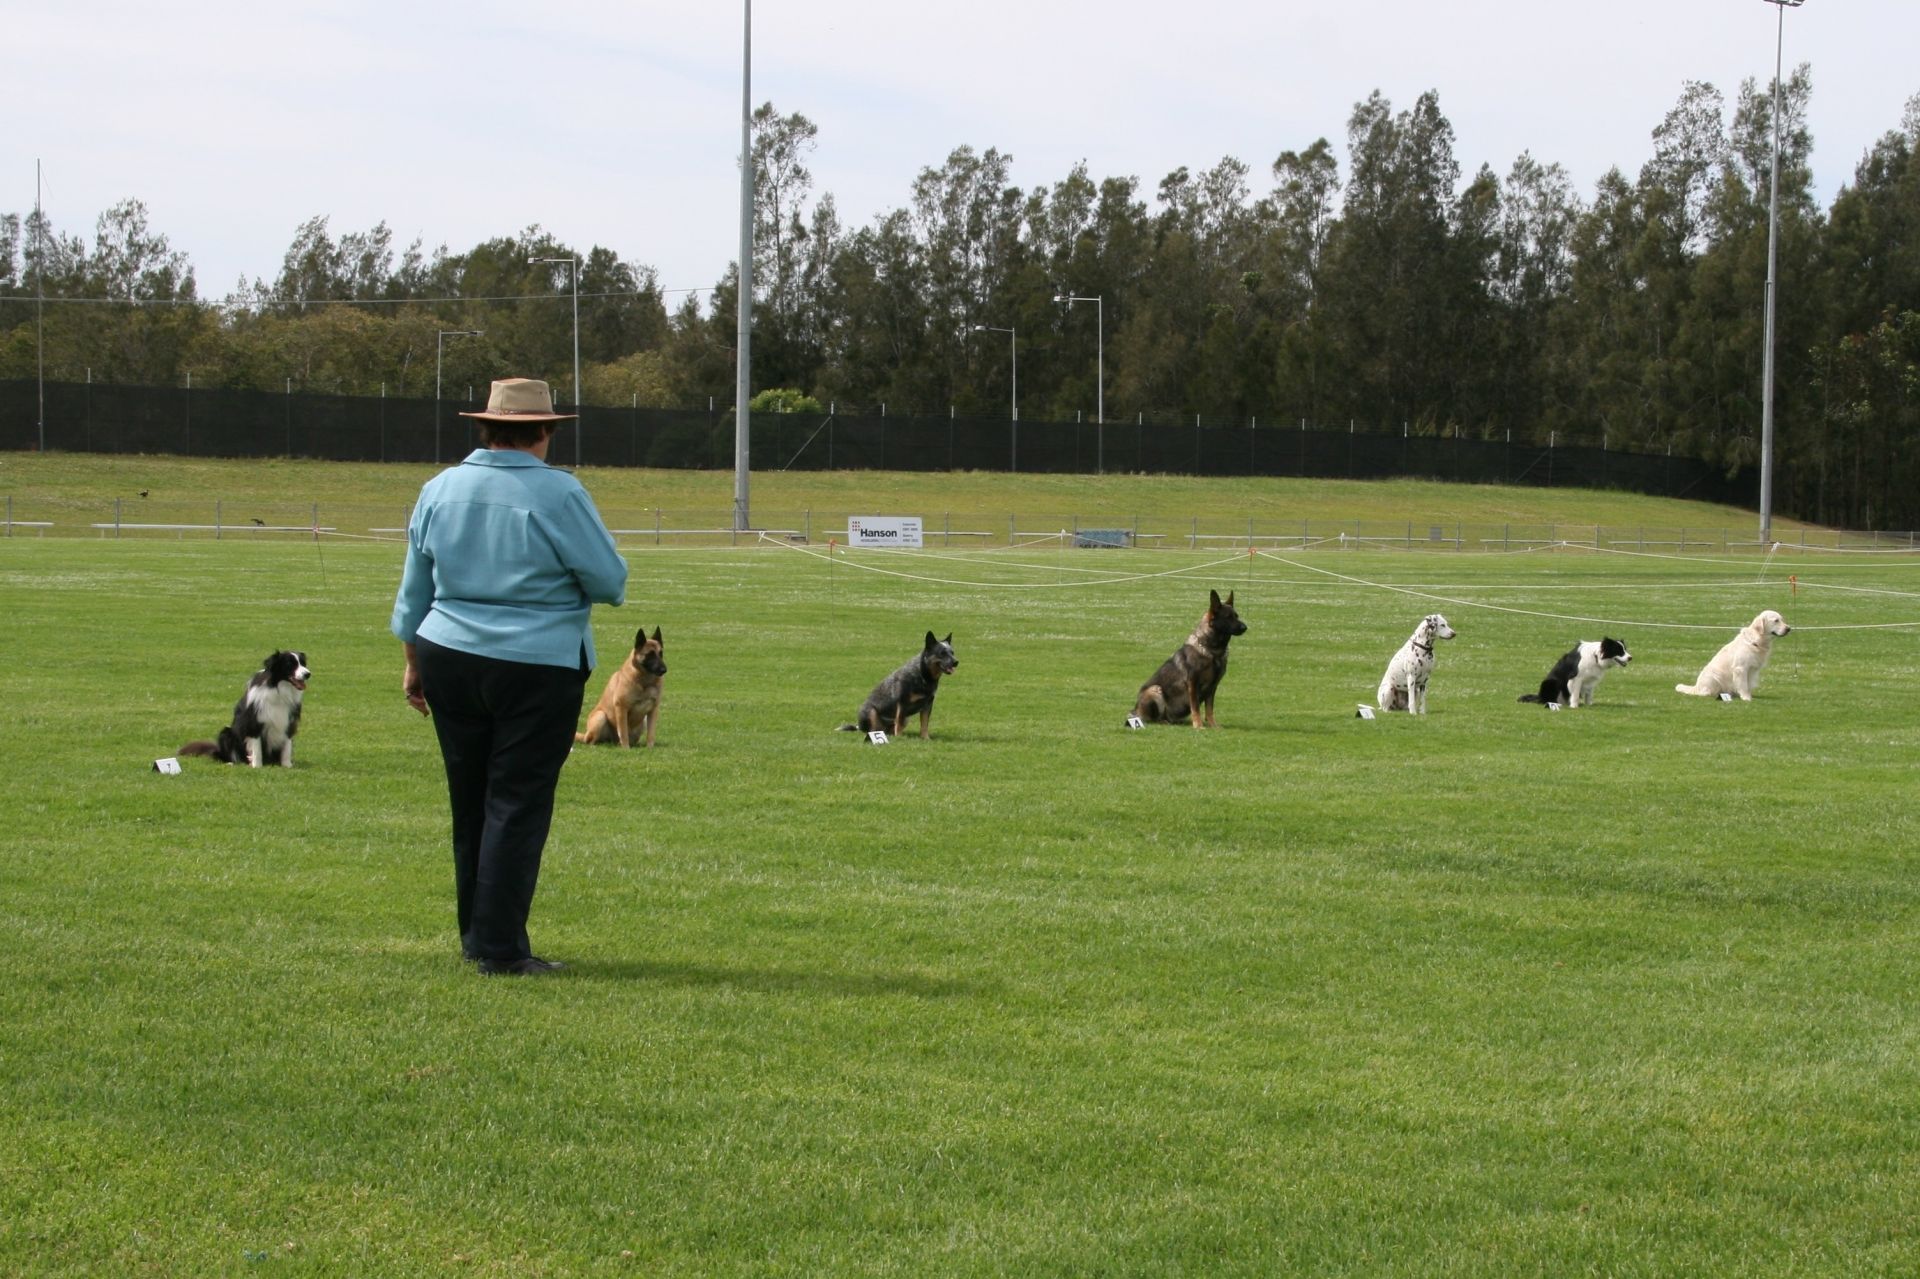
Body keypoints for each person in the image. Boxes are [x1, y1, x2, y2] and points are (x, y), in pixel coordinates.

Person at [391, 378, 628, 976]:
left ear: (486, 427)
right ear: (544, 431)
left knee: (469, 798)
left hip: (446, 649)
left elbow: (415, 588)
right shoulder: (559, 494)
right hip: (536, 662)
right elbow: (610, 583)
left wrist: (414, 660)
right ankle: (499, 949)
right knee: (516, 802)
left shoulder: (439, 488)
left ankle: (477, 934)